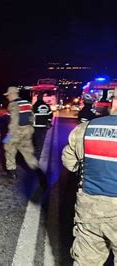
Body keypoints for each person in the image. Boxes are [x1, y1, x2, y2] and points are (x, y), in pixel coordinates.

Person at [61, 89, 117, 265]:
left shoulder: (86, 129)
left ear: (114, 102)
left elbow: (69, 162)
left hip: (90, 208)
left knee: (86, 260)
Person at [3, 86, 45, 186]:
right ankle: (37, 171)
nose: (7, 97)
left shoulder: (13, 104)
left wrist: (9, 135)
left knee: (9, 150)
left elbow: (14, 120)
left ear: (12, 94)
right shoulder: (27, 103)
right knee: (28, 152)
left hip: (16, 132)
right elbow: (32, 117)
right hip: (27, 130)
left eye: (8, 95)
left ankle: (12, 173)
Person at [32, 92, 53, 160]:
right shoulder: (46, 106)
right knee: (42, 138)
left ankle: (37, 152)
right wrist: (49, 122)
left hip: (36, 126)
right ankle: (40, 148)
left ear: (38, 98)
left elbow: (31, 115)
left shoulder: (35, 106)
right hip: (44, 126)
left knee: (36, 139)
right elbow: (50, 114)